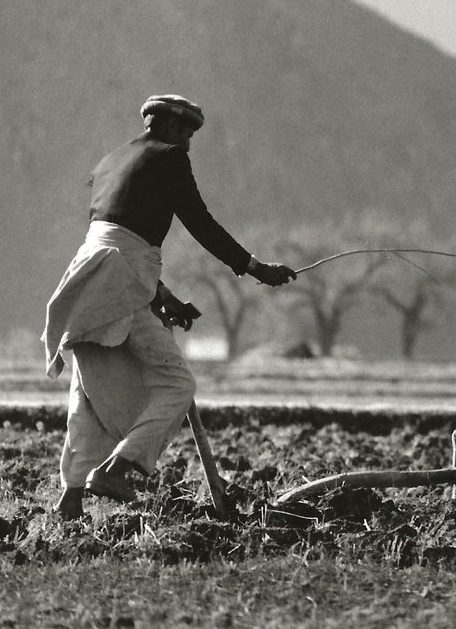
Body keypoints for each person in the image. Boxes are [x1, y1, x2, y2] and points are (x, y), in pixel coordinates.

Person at [42, 95, 297, 519]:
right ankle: (117, 467)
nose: (190, 145)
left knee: (85, 394)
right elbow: (199, 222)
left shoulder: (111, 161)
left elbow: (119, 236)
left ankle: (69, 501)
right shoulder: (171, 159)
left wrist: (163, 296)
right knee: (177, 385)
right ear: (170, 128)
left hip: (85, 281)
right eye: (188, 134)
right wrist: (253, 267)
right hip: (120, 282)